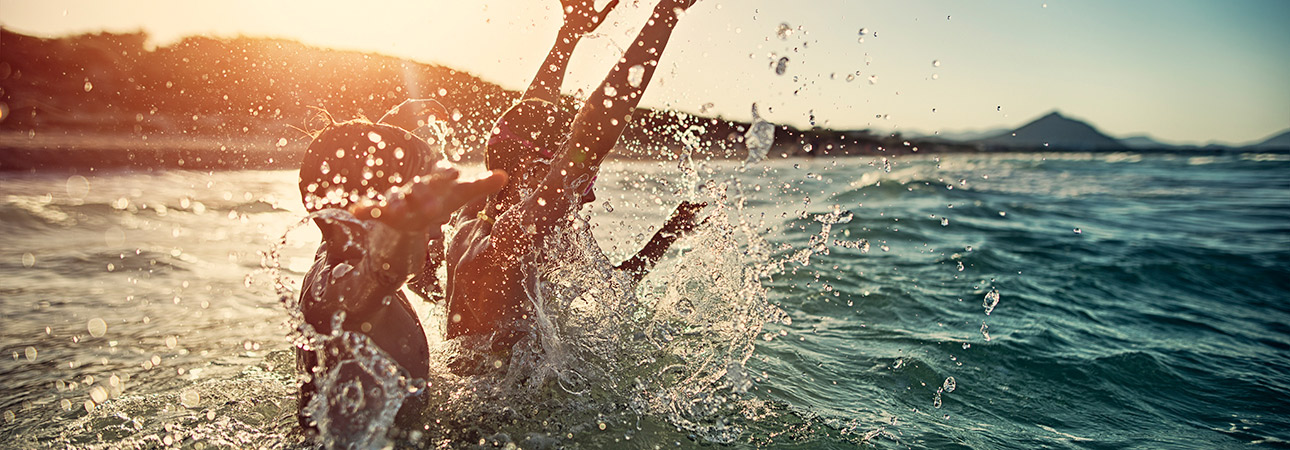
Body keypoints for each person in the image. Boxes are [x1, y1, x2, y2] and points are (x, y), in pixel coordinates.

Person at [444, 0, 702, 350]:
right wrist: (666, 14)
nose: (589, 194)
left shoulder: (474, 216)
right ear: (536, 176)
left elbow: (522, 128)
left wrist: (568, 37)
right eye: (586, 180)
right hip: (506, 405)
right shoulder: (509, 239)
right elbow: (593, 134)